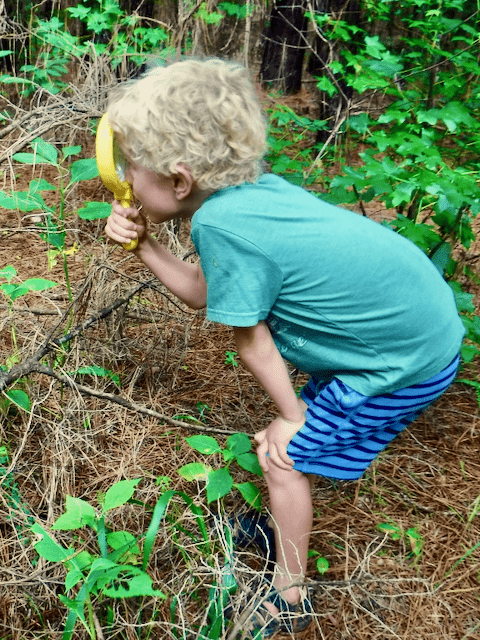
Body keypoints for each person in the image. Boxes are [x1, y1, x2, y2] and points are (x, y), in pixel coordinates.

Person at [104, 57, 465, 636]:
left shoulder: (219, 225)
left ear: (178, 180)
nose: (121, 177)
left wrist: (292, 419)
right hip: (408, 334)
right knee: (294, 434)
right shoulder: (250, 193)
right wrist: (145, 244)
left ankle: (289, 594)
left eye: (130, 166)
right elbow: (203, 291)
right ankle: (282, 516)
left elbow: (254, 345)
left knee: (282, 456)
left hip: (397, 363)